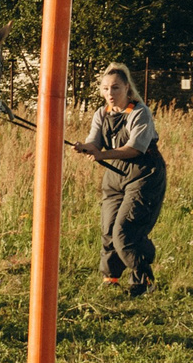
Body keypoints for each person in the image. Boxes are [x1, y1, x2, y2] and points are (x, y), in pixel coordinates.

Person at [71, 64, 166, 295]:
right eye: (105, 88)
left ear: (127, 88)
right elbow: (95, 142)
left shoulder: (139, 112)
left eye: (115, 87)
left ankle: (144, 281)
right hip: (115, 176)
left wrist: (102, 155)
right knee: (108, 229)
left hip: (145, 174)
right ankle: (111, 279)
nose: (110, 93)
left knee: (124, 232)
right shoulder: (101, 114)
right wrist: (85, 147)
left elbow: (135, 148)